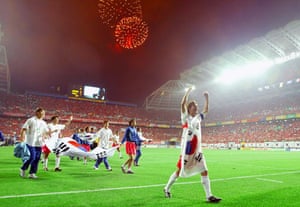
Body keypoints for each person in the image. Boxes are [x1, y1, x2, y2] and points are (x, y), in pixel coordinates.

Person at [163, 88, 221, 203]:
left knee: (204, 170)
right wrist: (188, 92)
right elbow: (182, 103)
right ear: (189, 109)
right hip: (187, 150)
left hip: (197, 151)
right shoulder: (185, 118)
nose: (196, 108)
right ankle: (166, 188)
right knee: (179, 170)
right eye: (193, 106)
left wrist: (207, 98)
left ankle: (209, 196)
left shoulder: (198, 118)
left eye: (196, 107)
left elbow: (206, 110)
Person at [19, 107, 50, 179]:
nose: (43, 115)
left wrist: (46, 136)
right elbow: (24, 129)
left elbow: (46, 132)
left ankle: (32, 173)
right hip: (30, 142)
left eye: (44, 114)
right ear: (37, 113)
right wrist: (22, 137)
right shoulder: (31, 120)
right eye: (42, 113)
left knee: (37, 158)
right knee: (32, 157)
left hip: (39, 143)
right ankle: (23, 168)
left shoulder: (44, 123)